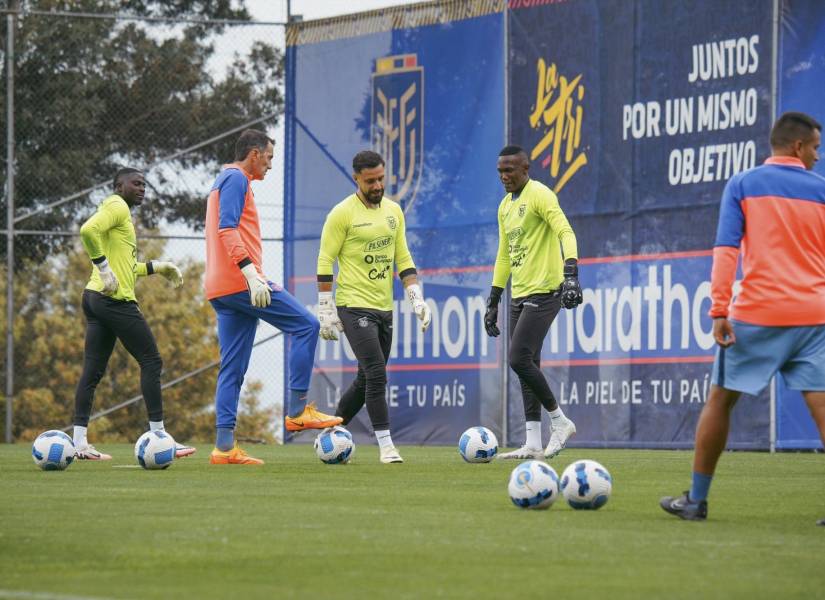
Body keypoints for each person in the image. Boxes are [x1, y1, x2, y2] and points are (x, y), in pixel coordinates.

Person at [661, 112, 825, 522]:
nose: (819, 156)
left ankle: (696, 501)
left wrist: (719, 309)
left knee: (720, 400)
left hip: (759, 315)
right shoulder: (822, 191)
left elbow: (725, 251)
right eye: (817, 147)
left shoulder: (743, 184)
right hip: (814, 316)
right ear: (798, 147)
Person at [205, 129, 341, 465]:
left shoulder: (221, 180)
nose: (269, 165)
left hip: (220, 287)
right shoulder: (236, 179)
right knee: (306, 325)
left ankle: (224, 448)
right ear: (254, 154)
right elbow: (227, 228)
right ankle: (297, 411)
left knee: (232, 369)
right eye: (268, 158)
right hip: (242, 282)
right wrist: (251, 275)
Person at [316, 150, 431, 464]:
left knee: (365, 380)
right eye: (371, 181)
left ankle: (329, 431)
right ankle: (386, 446)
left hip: (384, 308)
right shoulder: (342, 214)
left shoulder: (394, 211)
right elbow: (325, 260)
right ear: (356, 179)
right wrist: (325, 307)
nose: (378, 185)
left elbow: (403, 259)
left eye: (381, 178)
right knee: (378, 374)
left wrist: (416, 297)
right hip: (353, 306)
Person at [74, 168, 194, 460]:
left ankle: (78, 444)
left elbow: (127, 268)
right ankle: (160, 437)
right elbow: (87, 230)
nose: (142, 188)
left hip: (94, 299)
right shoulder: (116, 206)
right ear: (119, 186)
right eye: (136, 183)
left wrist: (158, 267)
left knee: (92, 372)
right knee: (152, 361)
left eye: (145, 184)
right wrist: (102, 267)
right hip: (115, 302)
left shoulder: (120, 213)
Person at [484, 145, 582, 460]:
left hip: (546, 291)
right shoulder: (504, 207)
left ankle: (560, 421)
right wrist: (494, 298)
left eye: (510, 170)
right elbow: (504, 254)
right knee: (528, 366)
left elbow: (565, 231)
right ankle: (532, 442)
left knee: (518, 359)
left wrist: (571, 274)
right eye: (500, 171)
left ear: (525, 168)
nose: (504, 176)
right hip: (519, 293)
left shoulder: (540, 195)